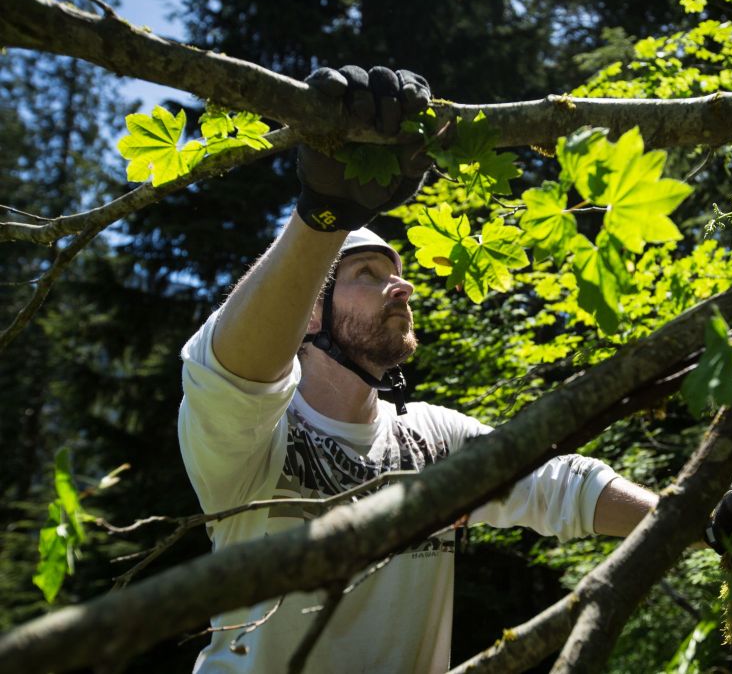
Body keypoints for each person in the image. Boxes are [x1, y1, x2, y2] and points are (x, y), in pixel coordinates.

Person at [177, 65, 660, 674]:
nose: (400, 285)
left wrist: (697, 517)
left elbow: (560, 483)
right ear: (308, 317)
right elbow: (230, 373)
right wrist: (324, 216)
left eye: (396, 271)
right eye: (367, 276)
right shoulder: (254, 448)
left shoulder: (432, 437)